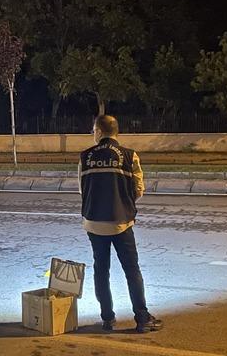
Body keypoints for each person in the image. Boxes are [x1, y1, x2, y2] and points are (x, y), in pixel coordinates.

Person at [78, 115, 162, 333]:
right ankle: (142, 319)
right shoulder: (129, 156)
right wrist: (121, 200)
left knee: (101, 270)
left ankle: (107, 318)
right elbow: (139, 190)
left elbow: (82, 189)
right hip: (121, 223)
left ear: (98, 131)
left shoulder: (85, 157)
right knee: (132, 271)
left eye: (93, 130)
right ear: (116, 132)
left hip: (94, 224)